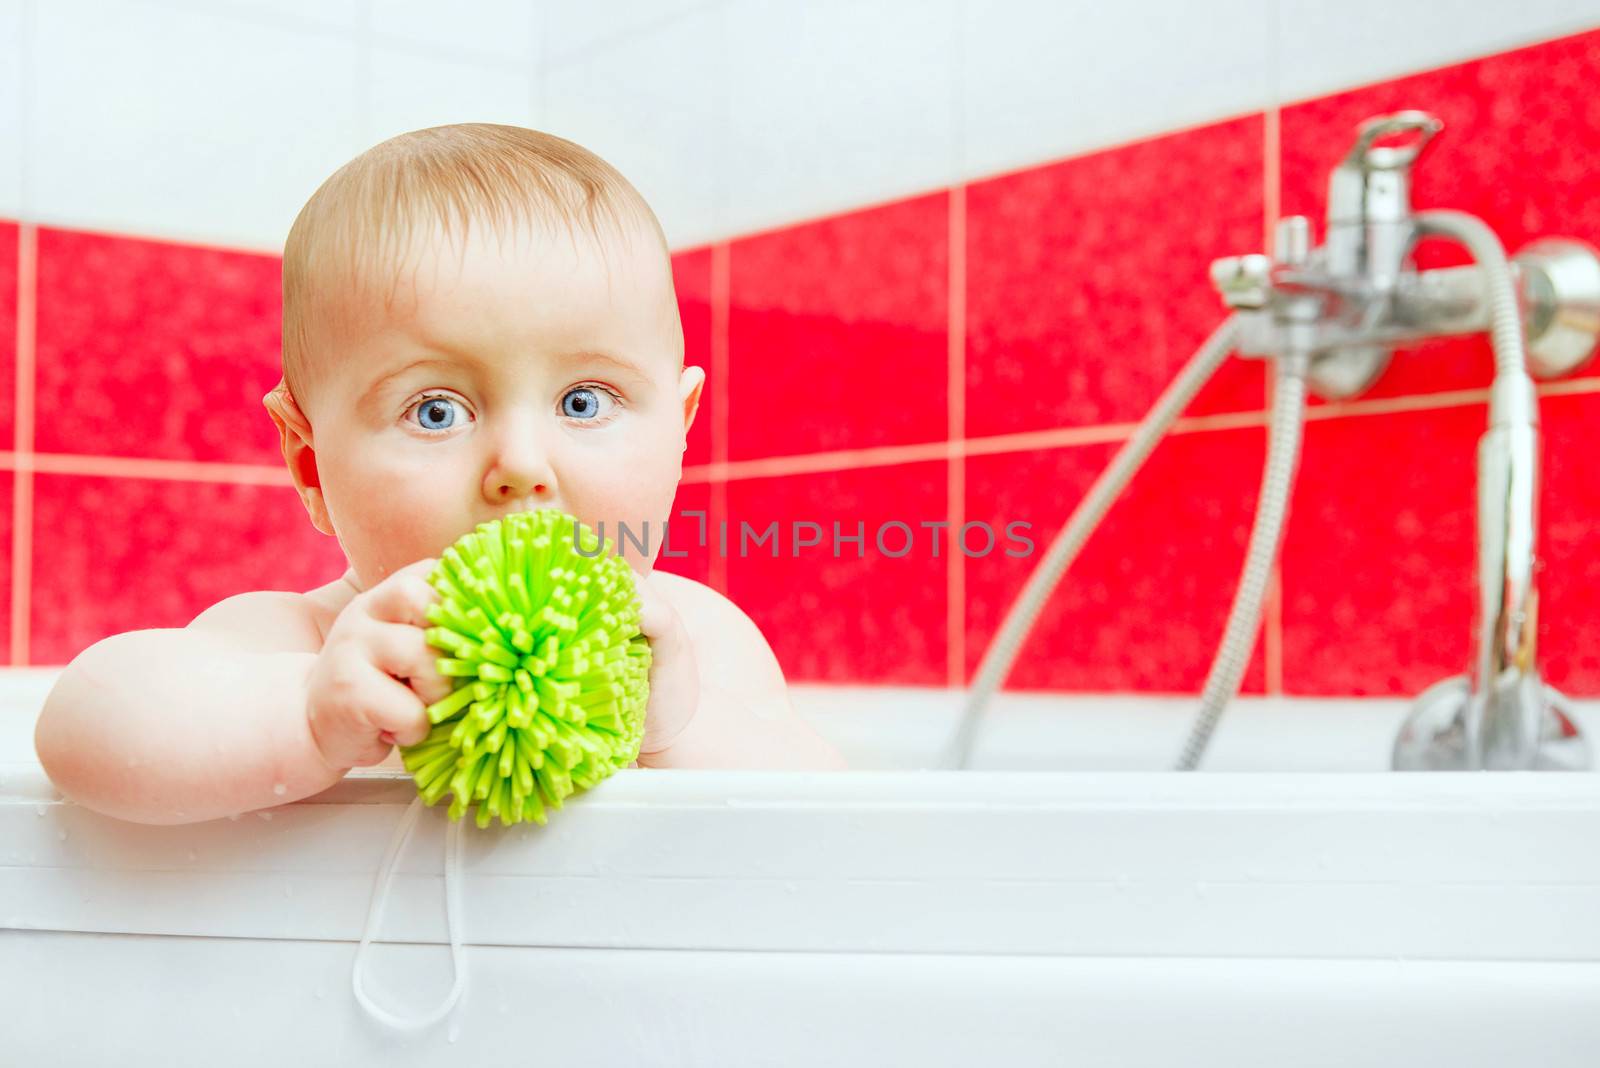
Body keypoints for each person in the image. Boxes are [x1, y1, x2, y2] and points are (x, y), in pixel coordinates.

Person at [34, 123, 847, 825]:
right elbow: (82, 732)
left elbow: (841, 828)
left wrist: (676, 728)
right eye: (436, 411)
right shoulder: (304, 643)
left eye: (584, 400)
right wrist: (308, 716)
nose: (522, 467)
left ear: (679, 433)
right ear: (312, 466)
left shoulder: (696, 640)